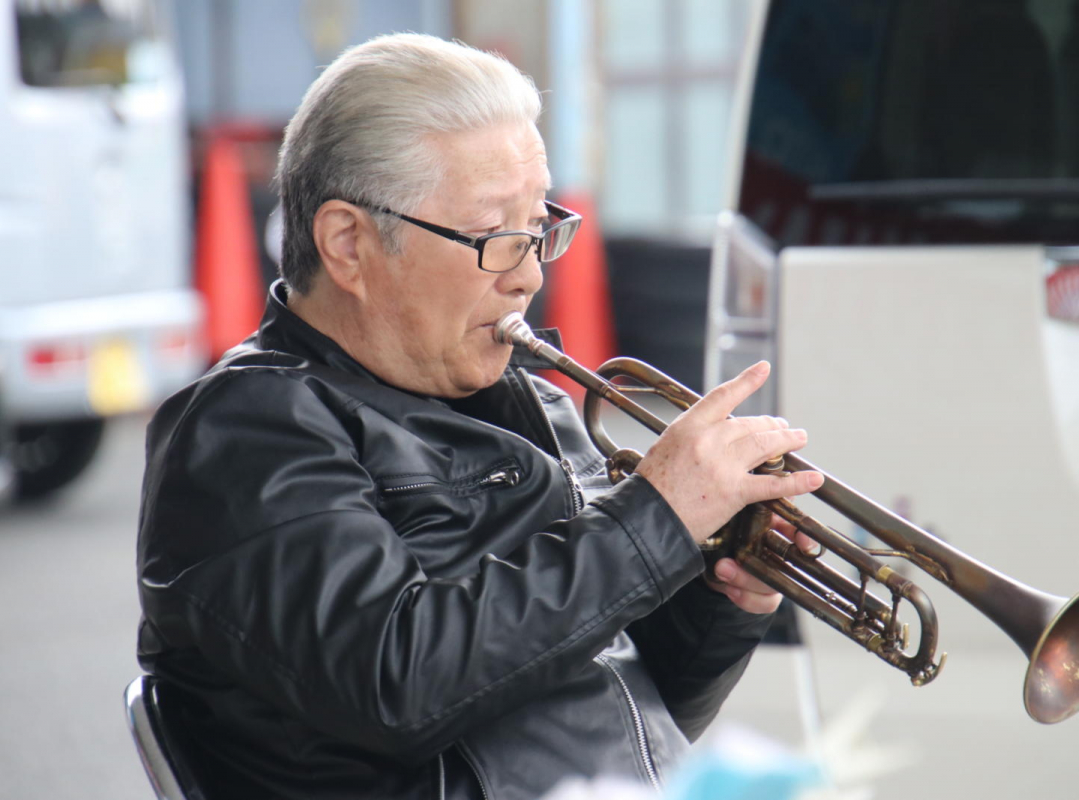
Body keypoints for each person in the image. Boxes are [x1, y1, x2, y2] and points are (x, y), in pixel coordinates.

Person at [136, 32, 823, 800]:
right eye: (496, 237)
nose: (530, 274)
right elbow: (401, 682)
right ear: (348, 243)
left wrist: (720, 597)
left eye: (538, 230)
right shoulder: (247, 431)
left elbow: (624, 710)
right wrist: (652, 522)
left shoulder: (534, 398)